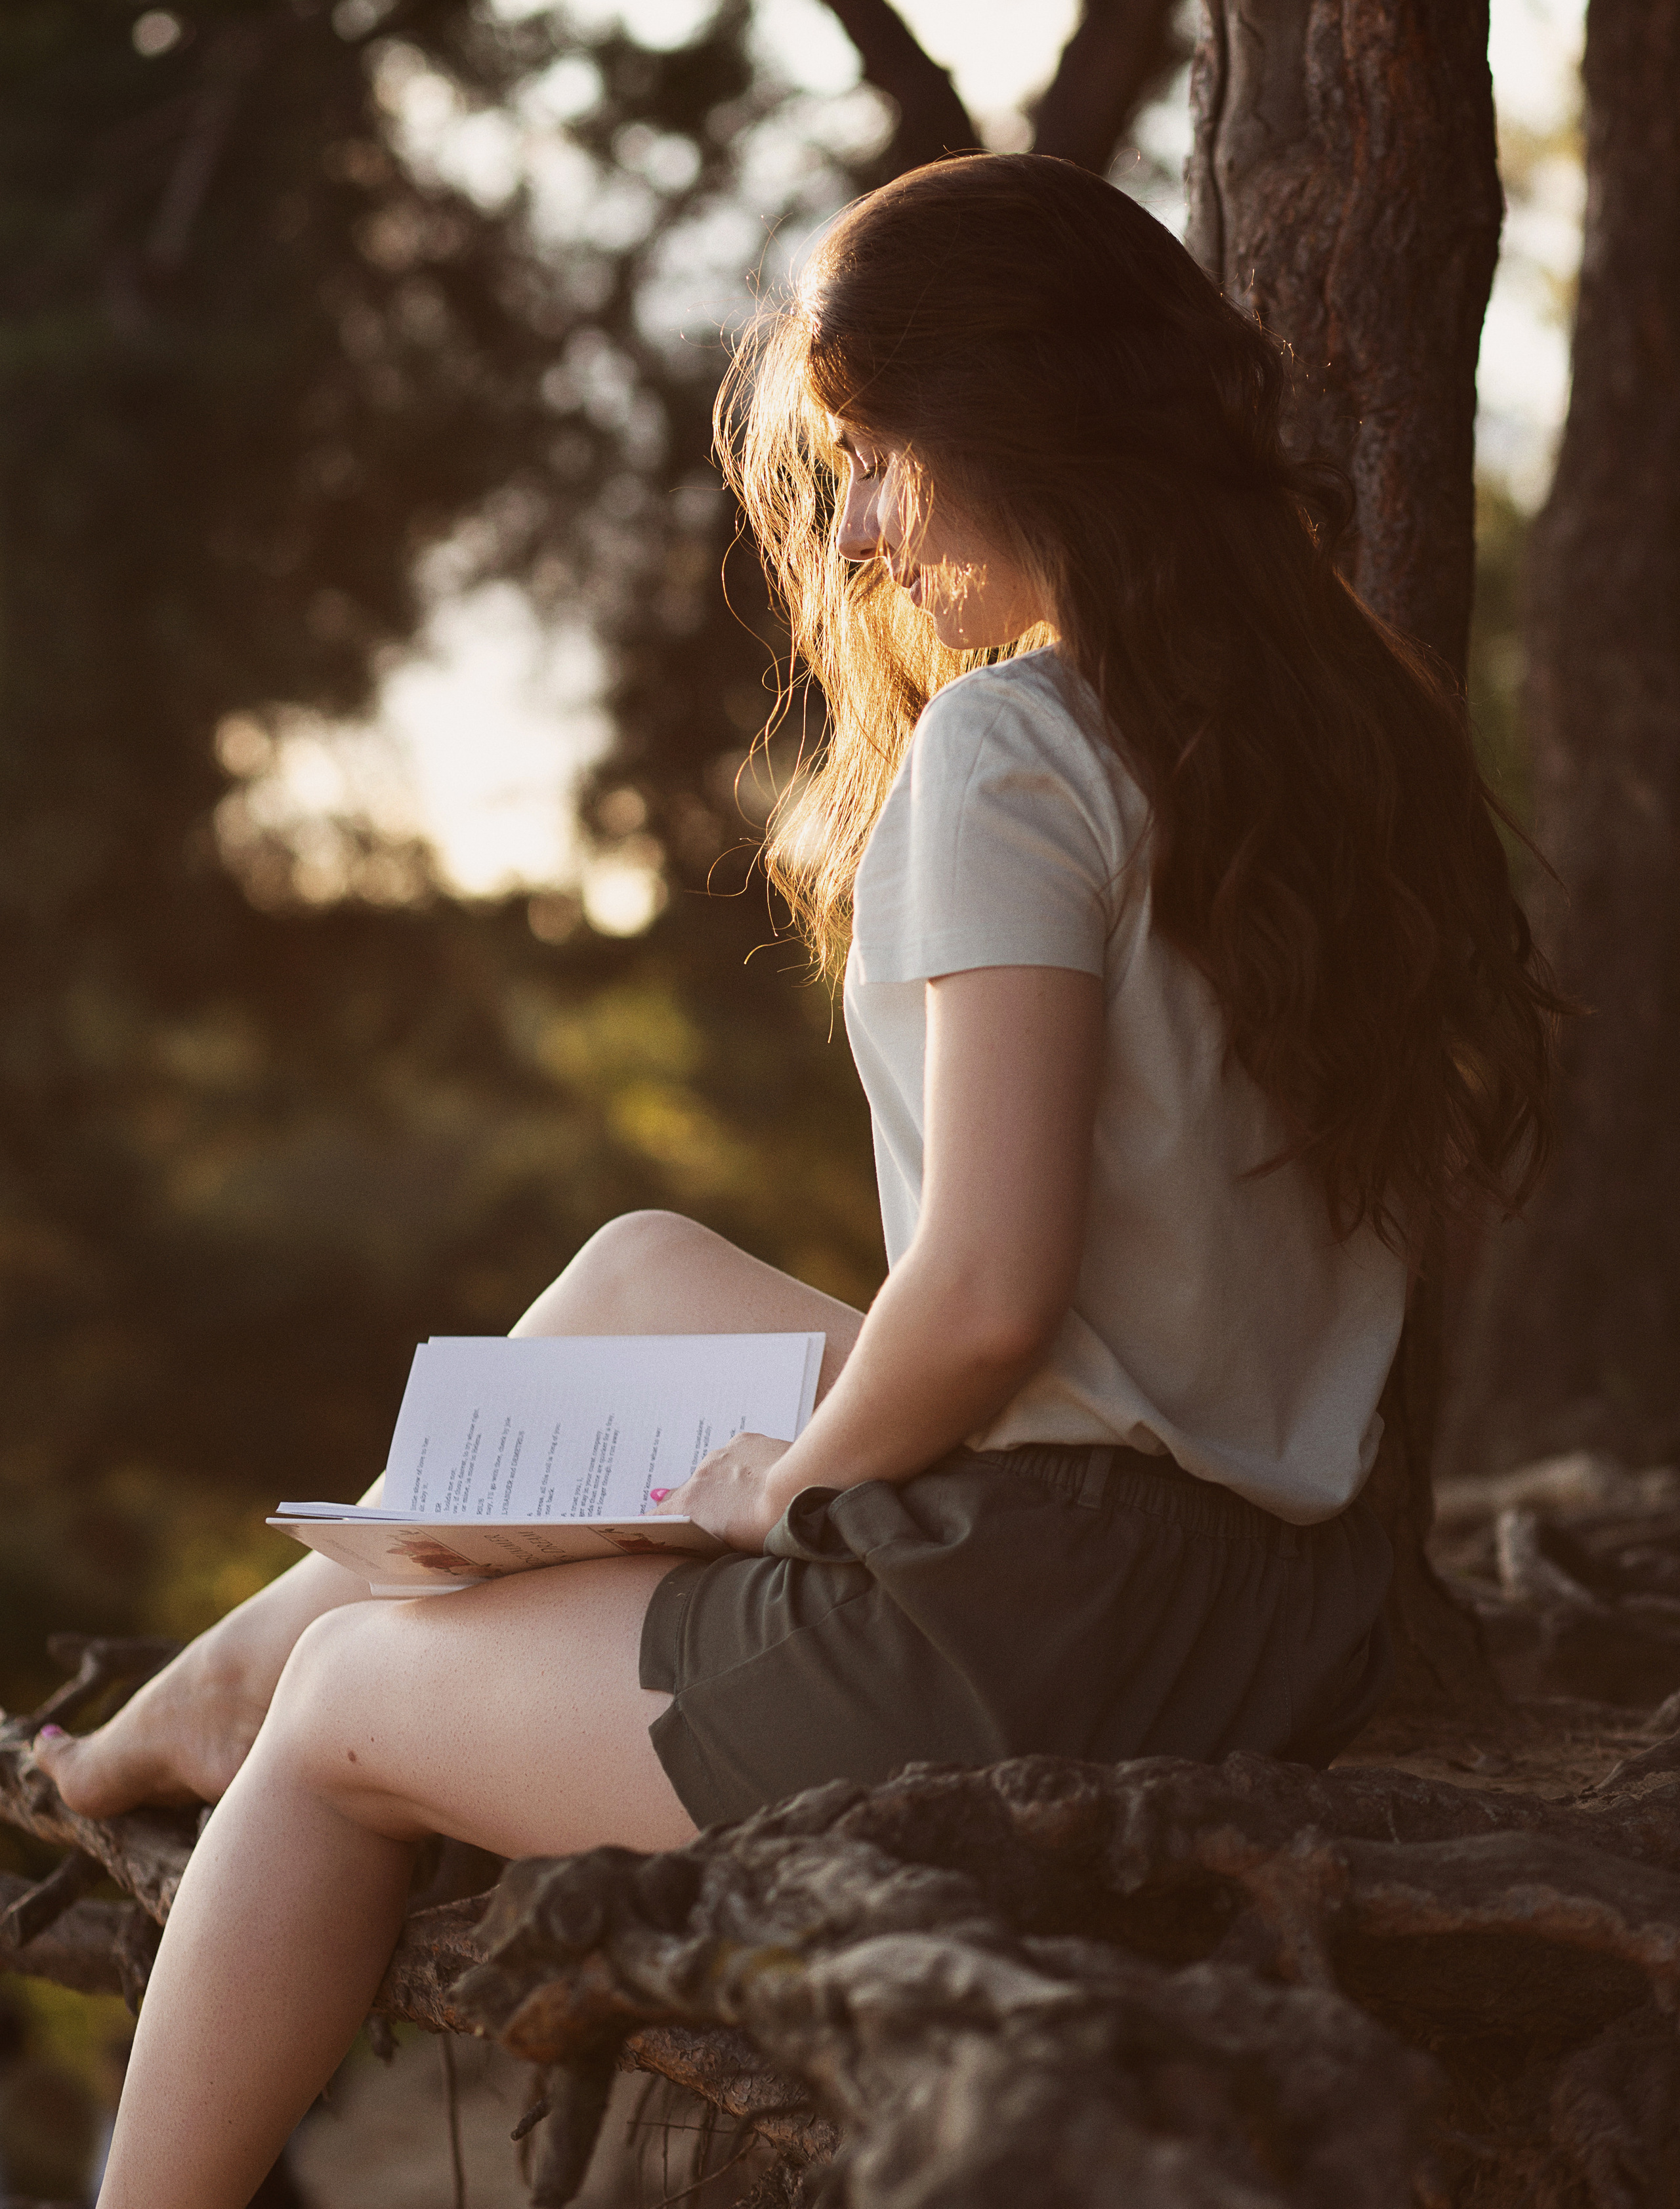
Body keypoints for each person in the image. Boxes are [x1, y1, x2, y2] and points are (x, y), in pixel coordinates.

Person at [32, 154, 1559, 2208]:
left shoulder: (1016, 749)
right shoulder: (1340, 717)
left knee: (347, 1711)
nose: (850, 530)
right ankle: (224, 1662)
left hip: (1039, 1614)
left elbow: (994, 1290)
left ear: (1006, 428)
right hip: (1288, 1595)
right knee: (645, 1269)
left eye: (871, 459)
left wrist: (793, 1478)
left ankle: (241, 1781)